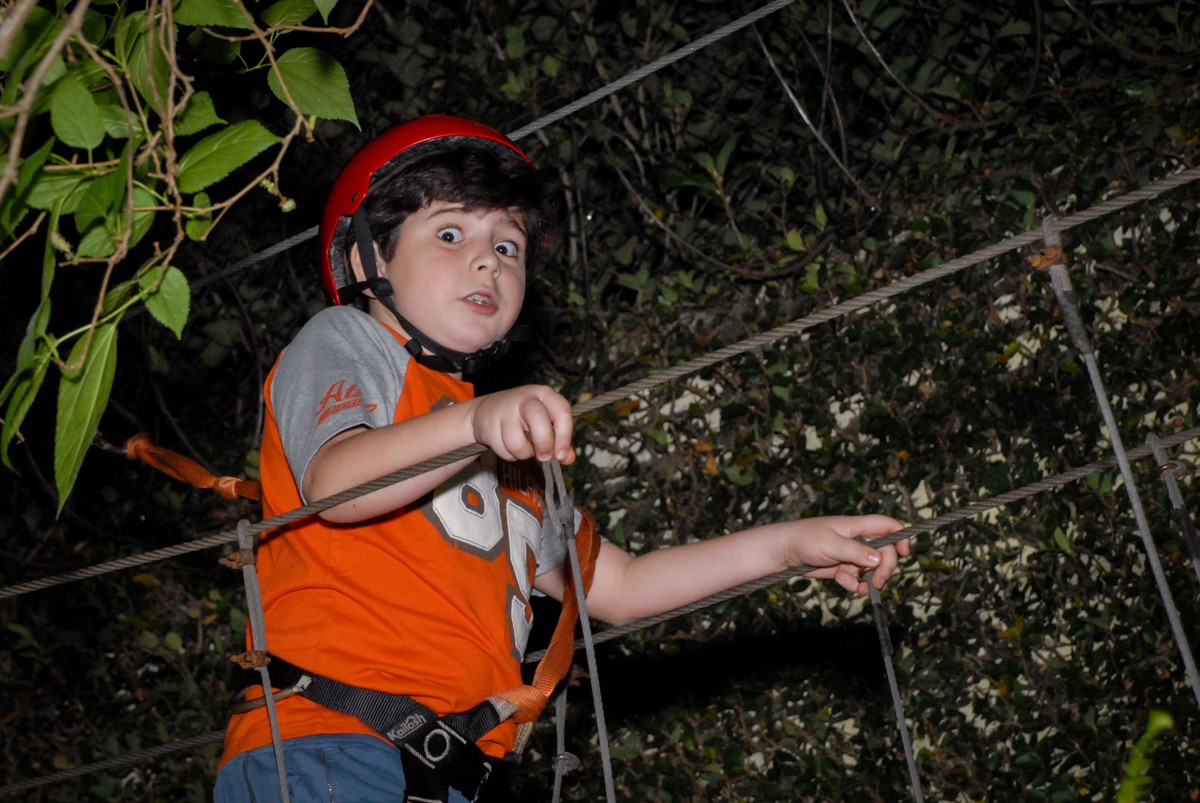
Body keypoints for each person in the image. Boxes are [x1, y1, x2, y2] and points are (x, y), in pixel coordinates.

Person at [214, 115, 910, 803]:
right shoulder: (349, 341)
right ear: (367, 259)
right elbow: (336, 482)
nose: (488, 259)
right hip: (326, 750)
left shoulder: (508, 452)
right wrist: (478, 420)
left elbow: (620, 584)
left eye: (509, 245)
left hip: (442, 775)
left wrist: (788, 547)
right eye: (451, 233)